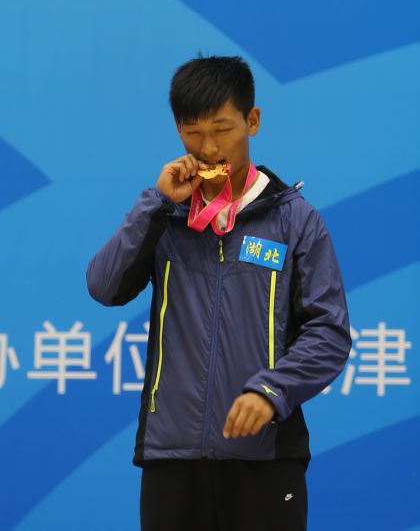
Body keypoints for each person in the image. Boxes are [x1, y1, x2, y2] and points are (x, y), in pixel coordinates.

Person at [86, 55, 351, 531]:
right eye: (193, 132)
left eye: (222, 130)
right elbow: (103, 286)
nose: (208, 149)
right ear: (177, 129)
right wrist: (155, 203)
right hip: (172, 455)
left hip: (265, 454)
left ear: (252, 121)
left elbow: (329, 332)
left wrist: (272, 391)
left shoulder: (295, 220)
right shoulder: (166, 217)